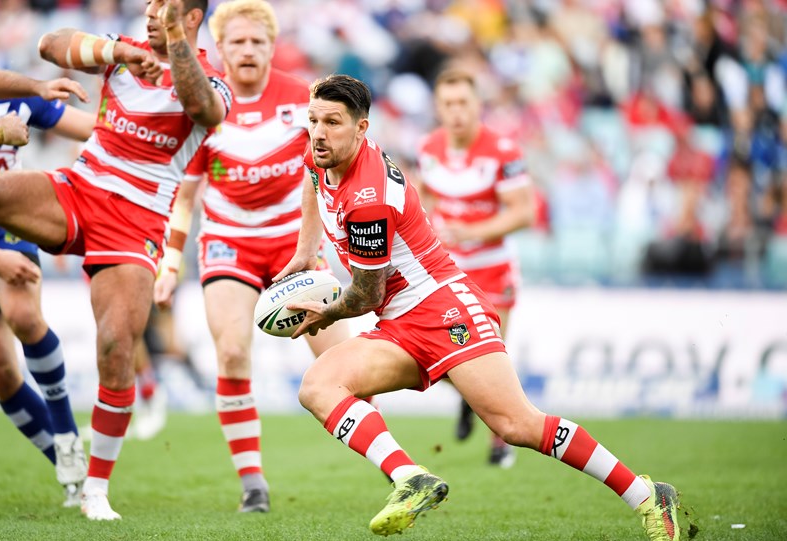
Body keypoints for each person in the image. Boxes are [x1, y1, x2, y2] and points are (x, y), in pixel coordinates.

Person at [275, 74, 682, 541]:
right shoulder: (322, 152)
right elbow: (312, 177)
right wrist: (307, 249)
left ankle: (648, 495)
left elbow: (366, 294)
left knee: (517, 425)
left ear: (362, 128)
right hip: (398, 321)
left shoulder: (369, 196)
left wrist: (326, 313)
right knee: (319, 385)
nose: (319, 133)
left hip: (444, 309)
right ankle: (411, 478)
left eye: (332, 122)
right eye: (313, 121)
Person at [0, 0, 231, 521]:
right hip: (77, 192)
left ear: (191, 18)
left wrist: (174, 46)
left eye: (165, 6)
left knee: (115, 347)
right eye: (150, 4)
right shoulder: (123, 54)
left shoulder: (214, 80)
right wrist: (117, 51)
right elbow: (49, 44)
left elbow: (203, 109)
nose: (151, 12)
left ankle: (94, 489)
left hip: (136, 222)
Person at [153, 0, 350, 513]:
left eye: (257, 41)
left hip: (293, 242)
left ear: (271, 46)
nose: (247, 50)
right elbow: (185, 195)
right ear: (219, 48)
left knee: (344, 364)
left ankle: (395, 466)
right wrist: (170, 263)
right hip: (228, 241)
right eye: (237, 41)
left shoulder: (303, 99)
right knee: (233, 354)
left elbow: (332, 171)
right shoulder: (203, 101)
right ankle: (252, 484)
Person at [0, 6, 96, 507]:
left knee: (25, 315)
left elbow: (91, 129)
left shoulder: (10, 93)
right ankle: (69, 468)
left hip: (8, 224)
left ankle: (69, 434)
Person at [415, 68, 536, 468]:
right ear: (438, 107)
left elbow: (524, 212)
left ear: (477, 105)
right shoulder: (428, 147)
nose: (456, 111)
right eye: (448, 104)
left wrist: (471, 231)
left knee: (493, 358)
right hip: (445, 269)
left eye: (463, 103)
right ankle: (470, 397)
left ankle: (500, 443)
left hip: (491, 267)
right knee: (441, 360)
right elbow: (423, 197)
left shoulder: (503, 151)